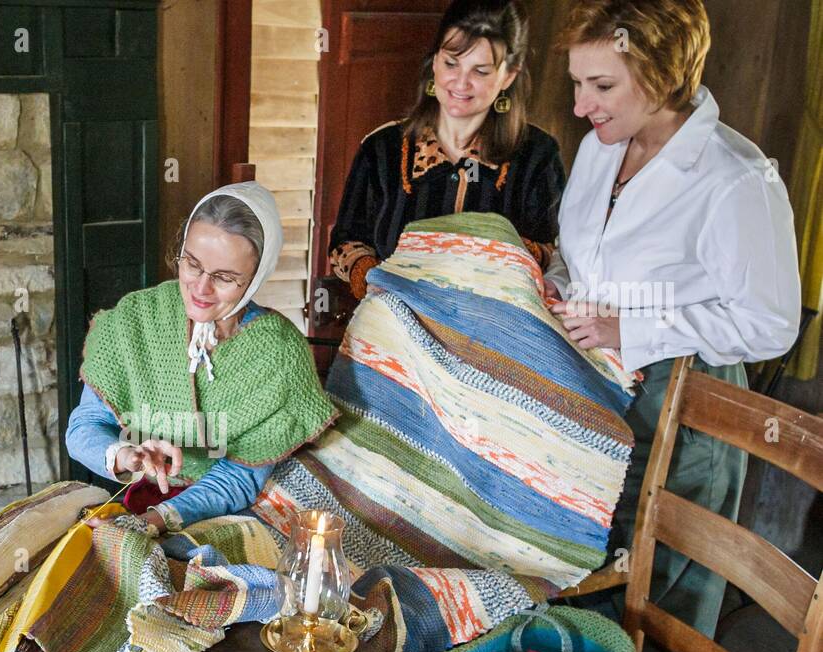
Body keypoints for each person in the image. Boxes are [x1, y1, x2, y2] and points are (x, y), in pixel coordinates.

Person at [547, 0, 801, 652]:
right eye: (578, 83)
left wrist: (634, 327)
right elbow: (584, 259)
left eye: (601, 85)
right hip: (597, 390)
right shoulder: (602, 147)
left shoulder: (735, 179)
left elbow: (769, 321)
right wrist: (562, 291)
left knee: (662, 600)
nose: (579, 105)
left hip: (685, 408)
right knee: (590, 575)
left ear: (659, 75)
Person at [66, 182, 335, 532]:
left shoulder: (279, 354)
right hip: (133, 497)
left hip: (220, 515)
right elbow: (83, 428)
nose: (201, 289)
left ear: (255, 279)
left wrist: (162, 518)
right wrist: (124, 455)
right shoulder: (136, 318)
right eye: (192, 264)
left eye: (225, 277)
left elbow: (240, 478)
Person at [328, 0, 565, 301]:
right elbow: (345, 243)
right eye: (451, 63)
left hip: (491, 334)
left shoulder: (537, 156)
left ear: (509, 76)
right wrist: (374, 281)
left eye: (480, 71)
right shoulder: (382, 149)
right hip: (392, 326)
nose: (461, 83)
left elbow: (553, 253)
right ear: (435, 62)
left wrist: (488, 251)